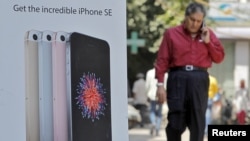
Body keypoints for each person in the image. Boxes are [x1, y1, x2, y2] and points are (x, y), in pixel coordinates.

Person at [154, 2, 225, 141]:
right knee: (175, 122)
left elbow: (219, 58)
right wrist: (160, 84)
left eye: (199, 21)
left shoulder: (208, 34)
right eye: (192, 19)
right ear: (186, 17)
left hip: (199, 79)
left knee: (198, 121)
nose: (195, 24)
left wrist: (208, 42)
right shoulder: (171, 34)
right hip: (177, 78)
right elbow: (162, 60)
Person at [145, 65, 168, 136]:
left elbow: (147, 85)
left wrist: (147, 94)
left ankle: (153, 123)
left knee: (152, 111)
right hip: (161, 95)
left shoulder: (149, 73)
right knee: (159, 113)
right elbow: (166, 86)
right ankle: (157, 129)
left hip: (152, 95)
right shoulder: (165, 73)